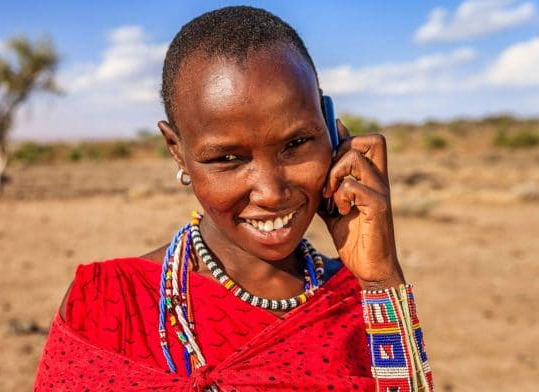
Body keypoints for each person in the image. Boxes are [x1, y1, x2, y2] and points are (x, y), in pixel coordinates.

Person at [34, 6, 432, 391]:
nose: (271, 192)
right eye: (227, 158)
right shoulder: (109, 303)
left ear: (330, 129)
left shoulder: (360, 298)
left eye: (297, 143)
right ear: (178, 151)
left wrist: (382, 280)